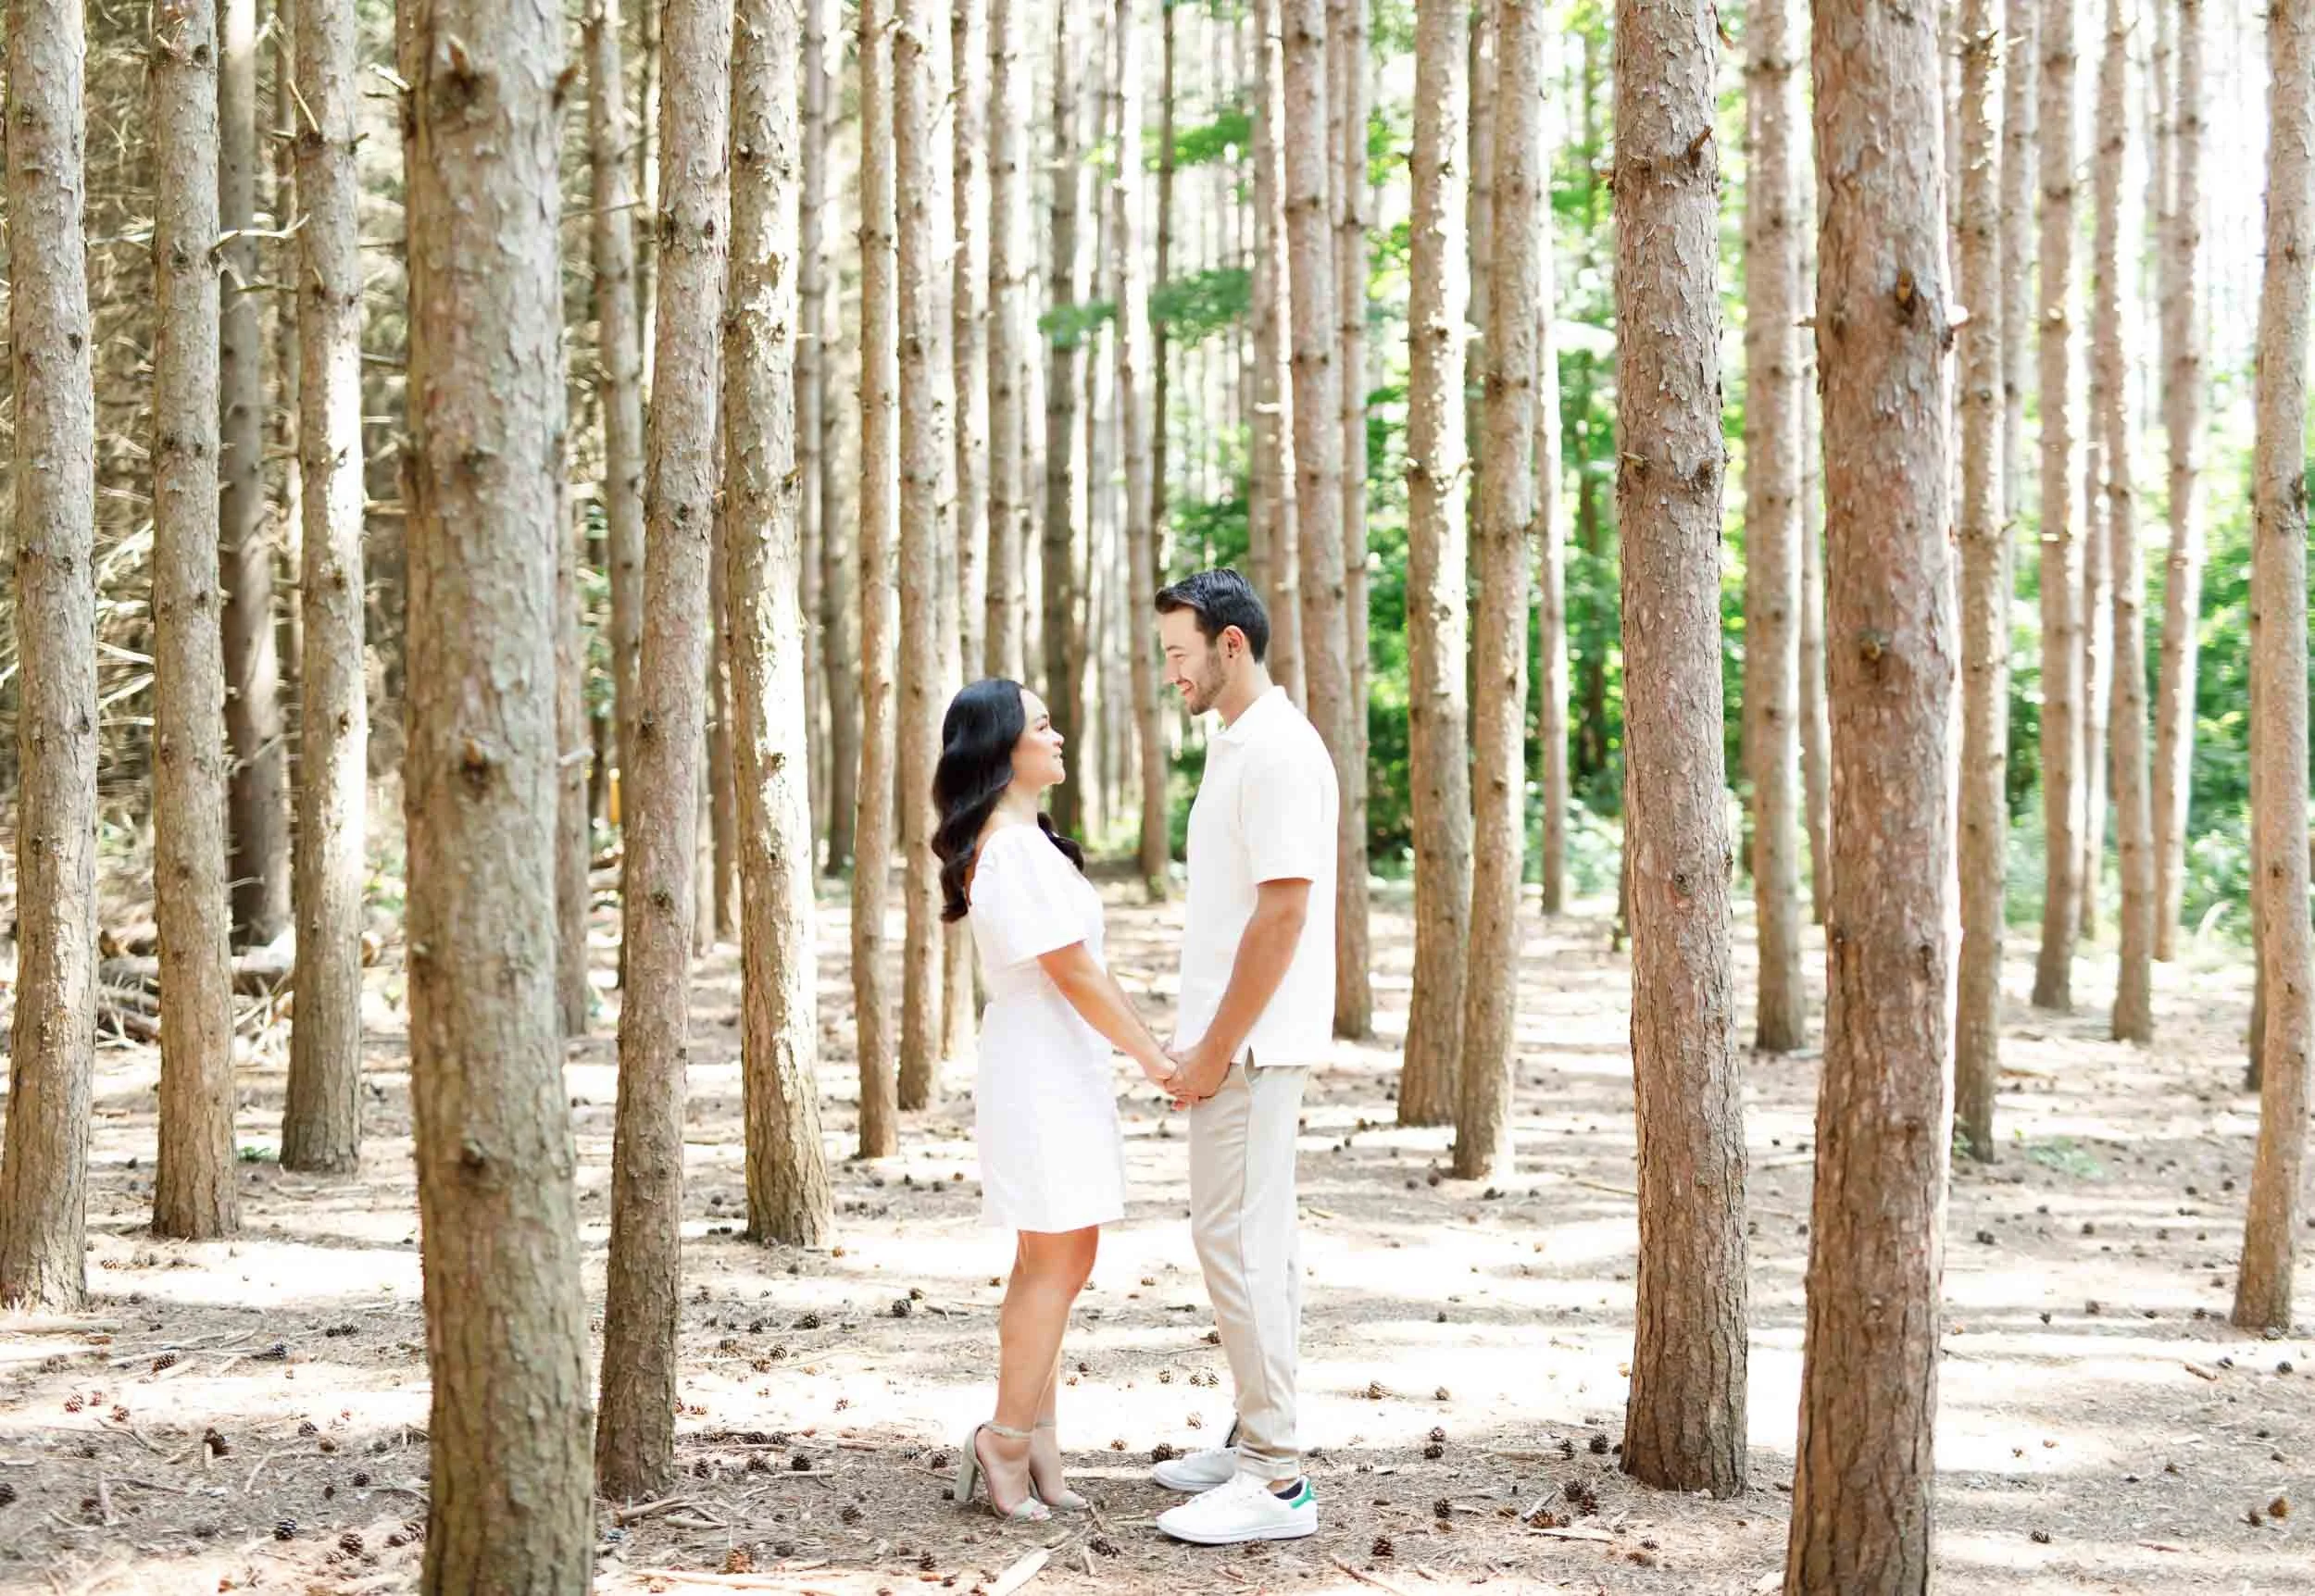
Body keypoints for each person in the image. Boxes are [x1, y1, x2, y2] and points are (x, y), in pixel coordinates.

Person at [931, 677, 1177, 1522]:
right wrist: (1154, 1058)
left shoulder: (1024, 844)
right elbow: (1072, 973)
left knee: (1055, 1260)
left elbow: (1081, 971)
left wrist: (1140, 1050)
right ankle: (1005, 1439)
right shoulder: (1009, 849)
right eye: (1043, 725)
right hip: (1040, 1064)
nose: (1059, 735)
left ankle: (1035, 1436)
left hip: (1053, 1059)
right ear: (1002, 751)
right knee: (1060, 1258)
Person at [1145, 569, 1336, 1546]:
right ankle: (1253, 1430)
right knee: (1257, 1245)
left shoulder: (1274, 752)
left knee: (1239, 1247)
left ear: (1230, 646)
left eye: (1180, 652)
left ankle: (1277, 1476)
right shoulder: (1237, 743)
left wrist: (1217, 1049)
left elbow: (1286, 908)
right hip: (1237, 1039)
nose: (1169, 671)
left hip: (1254, 1048)